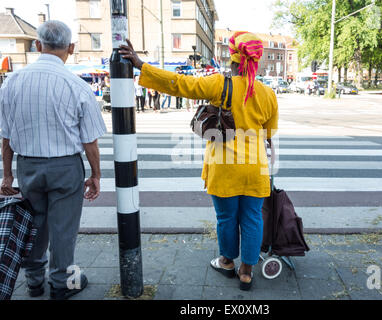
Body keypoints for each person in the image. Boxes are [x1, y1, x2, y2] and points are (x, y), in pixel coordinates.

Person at [119, 31, 278, 291]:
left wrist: (141, 65)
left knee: (226, 218)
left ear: (234, 60)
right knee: (252, 218)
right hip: (256, 168)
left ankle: (227, 261)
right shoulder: (268, 94)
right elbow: (269, 135)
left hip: (224, 167)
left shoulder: (219, 84)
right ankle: (247, 271)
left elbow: (180, 84)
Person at [0, 20, 106, 300]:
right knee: (64, 228)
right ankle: (62, 284)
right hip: (65, 167)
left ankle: (34, 281)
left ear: (38, 45)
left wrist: (8, 175)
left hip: (28, 165)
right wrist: (95, 175)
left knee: (33, 223)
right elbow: (90, 142)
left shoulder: (12, 82)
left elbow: (6, 136)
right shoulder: (77, 86)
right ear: (70, 48)